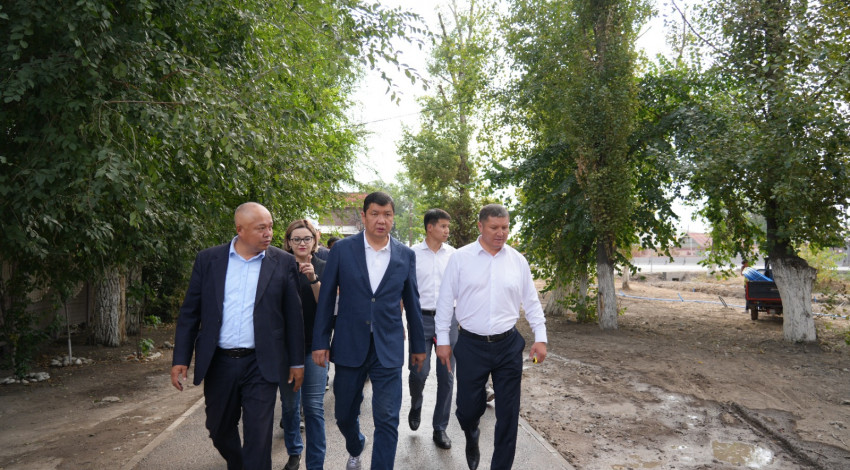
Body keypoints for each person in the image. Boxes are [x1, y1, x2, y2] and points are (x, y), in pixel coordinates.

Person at [170, 202, 305, 470]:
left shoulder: (283, 262)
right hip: (219, 362)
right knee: (218, 428)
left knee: (258, 436)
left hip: (261, 363)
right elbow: (190, 313)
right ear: (240, 229)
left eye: (270, 227)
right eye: (261, 228)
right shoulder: (209, 260)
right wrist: (180, 358)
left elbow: (294, 316)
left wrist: (297, 362)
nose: (268, 233)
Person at [312, 191, 427, 470]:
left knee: (387, 419)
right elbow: (326, 299)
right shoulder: (342, 250)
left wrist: (418, 346)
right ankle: (355, 445)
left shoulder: (405, 255)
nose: (381, 220)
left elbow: (413, 302)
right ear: (364, 216)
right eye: (375, 214)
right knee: (343, 414)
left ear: (393, 218)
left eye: (387, 214)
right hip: (349, 344)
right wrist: (320, 341)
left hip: (388, 346)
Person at [435, 204, 548, 470]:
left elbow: (531, 301)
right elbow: (445, 302)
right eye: (494, 227)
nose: (501, 233)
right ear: (480, 226)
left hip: (508, 345)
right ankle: (471, 432)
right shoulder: (461, 258)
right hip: (471, 345)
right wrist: (443, 341)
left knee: (508, 414)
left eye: (505, 227)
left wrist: (540, 337)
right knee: (467, 410)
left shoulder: (517, 260)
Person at [279, 219, 328, 470]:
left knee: (314, 408)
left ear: (314, 241)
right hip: (287, 350)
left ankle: (316, 463)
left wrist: (313, 278)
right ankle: (294, 451)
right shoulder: (279, 266)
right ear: (288, 242)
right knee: (289, 407)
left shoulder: (324, 266)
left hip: (315, 347)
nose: (301, 243)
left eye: (306, 238)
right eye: (296, 239)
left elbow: (326, 306)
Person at [407, 209, 458, 450]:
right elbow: (404, 289)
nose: (447, 230)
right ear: (430, 227)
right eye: (443, 226)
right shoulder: (412, 254)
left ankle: (440, 427)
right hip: (421, 319)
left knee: (447, 375)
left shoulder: (454, 255)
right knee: (419, 372)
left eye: (448, 226)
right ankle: (416, 403)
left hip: (448, 320)